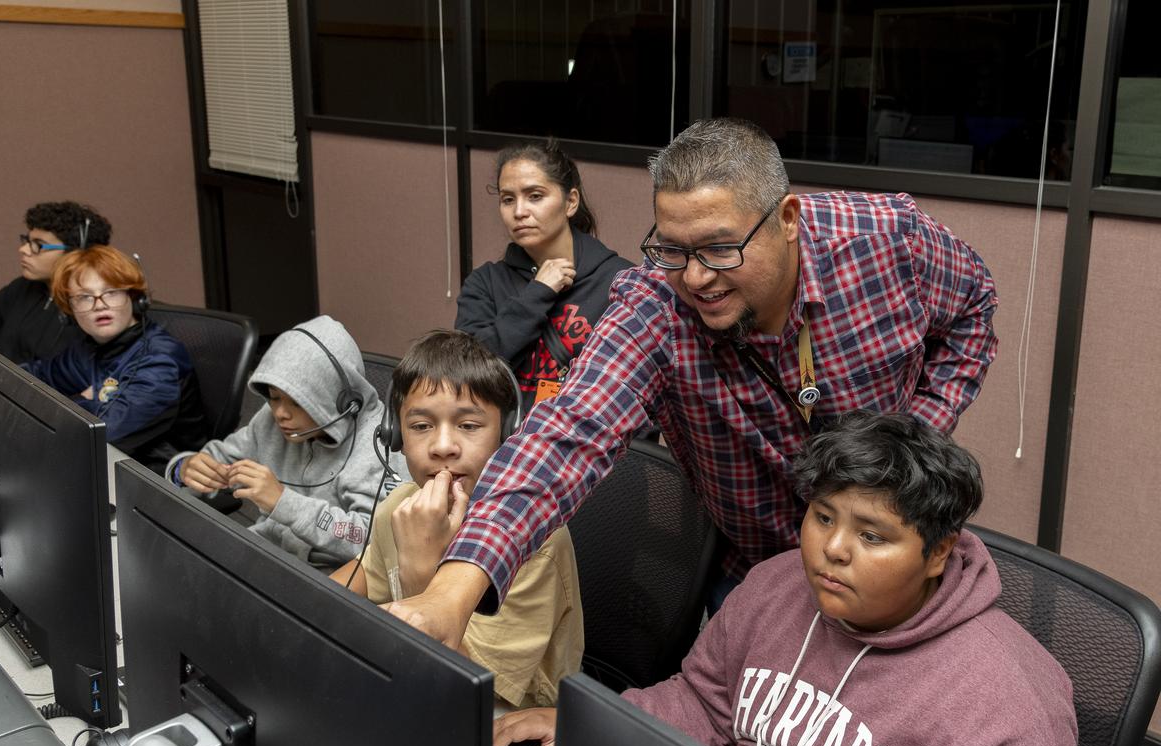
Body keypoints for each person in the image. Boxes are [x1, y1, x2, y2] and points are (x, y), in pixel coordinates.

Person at [383, 117, 999, 646]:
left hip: (887, 561)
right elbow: (567, 434)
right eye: (673, 250)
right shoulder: (655, 306)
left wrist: (918, 431)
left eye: (719, 248)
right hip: (753, 565)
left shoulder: (889, 244)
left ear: (787, 218)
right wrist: (450, 592)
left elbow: (976, 306)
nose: (697, 278)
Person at [493, 412, 1079, 746]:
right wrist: (607, 719)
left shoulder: (1011, 696)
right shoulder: (777, 584)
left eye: (872, 536)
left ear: (937, 553)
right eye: (823, 517)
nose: (833, 550)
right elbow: (704, 702)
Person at [330, 331, 582, 708]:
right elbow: (361, 578)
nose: (443, 446)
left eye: (468, 425)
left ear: (507, 433)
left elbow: (464, 689)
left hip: (504, 718)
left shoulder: (534, 543)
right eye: (420, 426)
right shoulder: (402, 506)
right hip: (411, 681)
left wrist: (421, 569)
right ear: (394, 435)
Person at [168, 316, 397, 569]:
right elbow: (218, 459)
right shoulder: (270, 422)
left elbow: (370, 538)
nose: (280, 414)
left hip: (334, 575)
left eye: (298, 402)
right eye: (274, 398)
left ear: (340, 402)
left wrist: (283, 502)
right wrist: (184, 469)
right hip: (267, 554)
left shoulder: (378, 445)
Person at [455, 139, 632, 411]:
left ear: (571, 202)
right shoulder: (485, 283)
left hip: (588, 446)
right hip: (506, 446)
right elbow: (467, 375)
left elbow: (639, 390)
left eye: (535, 196)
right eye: (507, 199)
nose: (519, 212)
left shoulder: (619, 281)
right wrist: (538, 293)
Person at [23, 245, 206, 473]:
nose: (100, 305)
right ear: (69, 310)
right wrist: (85, 400)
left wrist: (77, 399)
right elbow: (31, 377)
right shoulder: (90, 349)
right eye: (84, 297)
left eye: (111, 292)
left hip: (157, 479)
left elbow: (102, 433)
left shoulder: (159, 360)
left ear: (134, 297)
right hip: (108, 465)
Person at [0, 201, 112, 364]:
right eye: (27, 241)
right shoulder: (23, 287)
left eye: (38, 245)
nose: (24, 250)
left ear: (76, 253)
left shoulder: (98, 310)